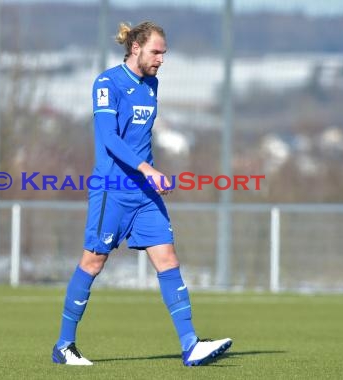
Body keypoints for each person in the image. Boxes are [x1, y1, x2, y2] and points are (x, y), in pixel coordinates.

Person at [51, 21, 232, 367]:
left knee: (168, 260)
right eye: (156, 52)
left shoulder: (152, 85)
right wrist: (147, 168)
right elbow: (109, 138)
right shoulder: (107, 83)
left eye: (164, 53)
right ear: (136, 48)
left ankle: (191, 345)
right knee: (93, 262)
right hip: (112, 189)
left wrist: (151, 175)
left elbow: (140, 140)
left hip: (144, 194)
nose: (161, 59)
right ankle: (64, 346)